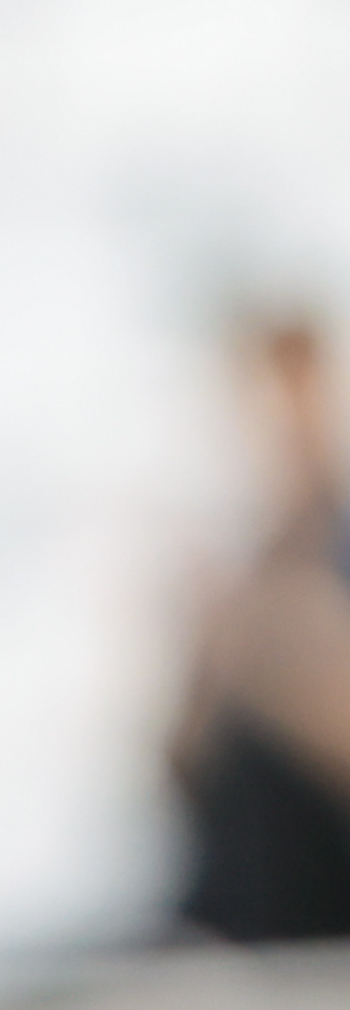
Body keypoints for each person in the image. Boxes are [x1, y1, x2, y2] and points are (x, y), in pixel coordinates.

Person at [165, 303, 350, 951]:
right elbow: (180, 776)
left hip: (314, 924)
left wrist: (286, 653)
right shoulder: (246, 563)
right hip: (222, 920)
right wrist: (206, 660)